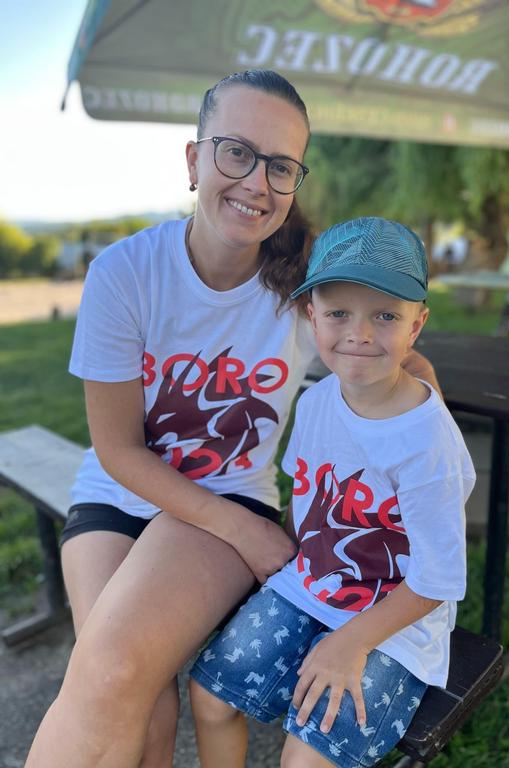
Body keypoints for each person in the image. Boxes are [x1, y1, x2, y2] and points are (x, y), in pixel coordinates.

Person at [25, 70, 438, 768]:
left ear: (295, 183)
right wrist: (248, 535)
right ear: (195, 160)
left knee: (118, 668)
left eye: (280, 166)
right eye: (237, 152)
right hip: (118, 496)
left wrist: (420, 433)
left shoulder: (308, 283)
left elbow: (403, 359)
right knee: (135, 696)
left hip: (229, 492)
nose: (256, 182)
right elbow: (118, 451)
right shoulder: (125, 273)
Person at [189, 217, 476, 768]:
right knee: (210, 696)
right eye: (339, 312)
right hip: (310, 585)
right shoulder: (316, 401)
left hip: (396, 624)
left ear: (416, 326)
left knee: (305, 756)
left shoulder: (427, 443)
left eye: (385, 316)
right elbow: (306, 501)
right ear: (311, 315)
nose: (359, 334)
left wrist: (349, 642)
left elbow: (436, 580)